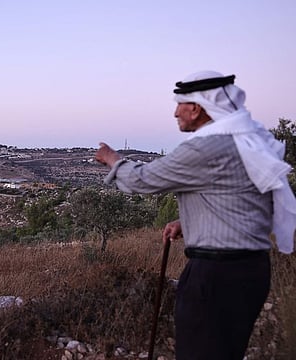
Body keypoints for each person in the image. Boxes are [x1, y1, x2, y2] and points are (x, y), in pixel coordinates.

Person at [95, 70, 296, 360]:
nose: (175, 112)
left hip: (216, 275)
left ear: (197, 108)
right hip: (251, 270)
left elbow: (144, 179)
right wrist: (191, 221)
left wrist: (112, 158)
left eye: (180, 104)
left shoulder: (204, 149)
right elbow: (243, 200)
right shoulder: (247, 141)